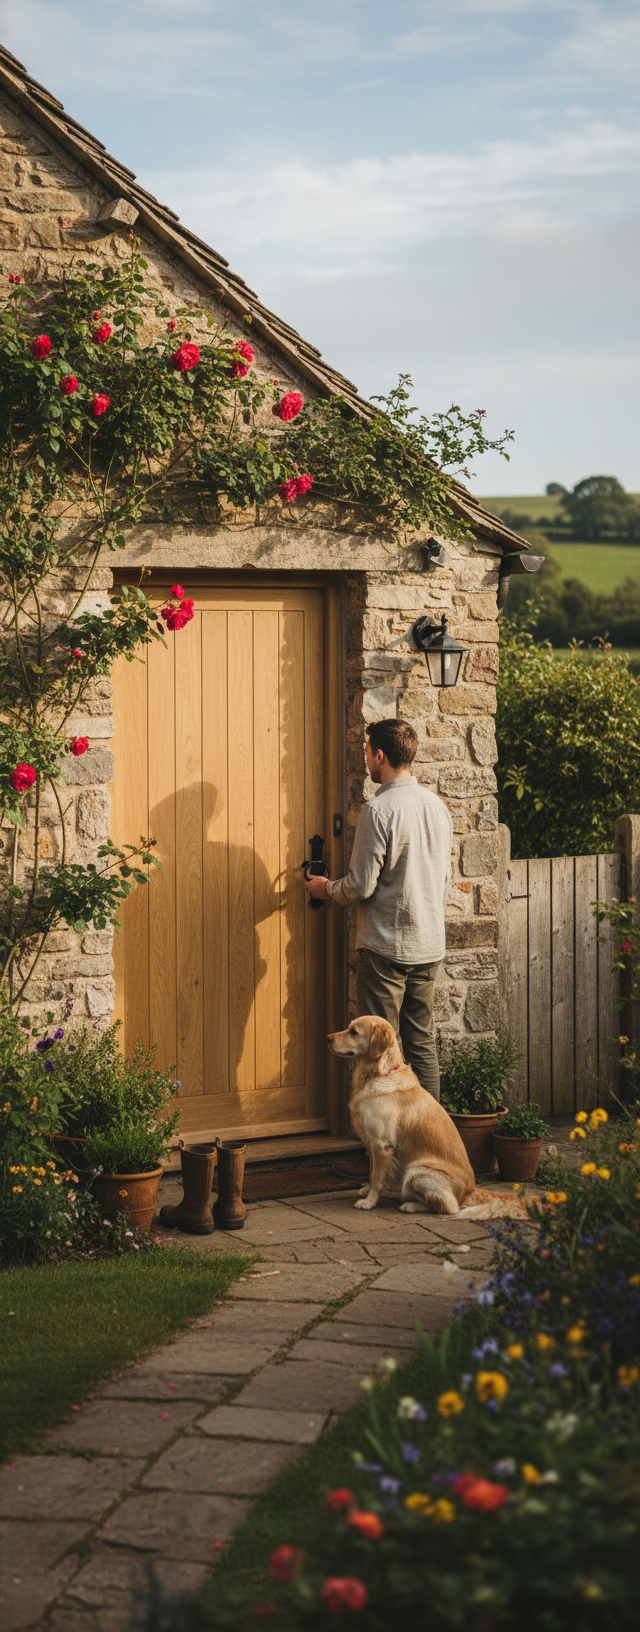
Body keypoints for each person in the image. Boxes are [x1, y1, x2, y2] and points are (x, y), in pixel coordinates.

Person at [304, 718, 453, 1117]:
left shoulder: (379, 809)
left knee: (377, 1055)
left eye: (367, 751)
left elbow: (361, 885)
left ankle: (381, 1148)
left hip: (387, 949)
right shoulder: (437, 806)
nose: (366, 759)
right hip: (428, 945)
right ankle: (430, 1139)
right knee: (421, 1046)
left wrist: (326, 888)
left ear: (380, 755)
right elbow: (444, 879)